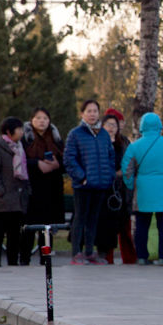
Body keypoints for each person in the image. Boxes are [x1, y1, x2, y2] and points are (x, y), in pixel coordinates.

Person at [122, 112, 163, 266]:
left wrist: (132, 185)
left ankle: (142, 257)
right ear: (159, 126)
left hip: (143, 190)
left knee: (142, 226)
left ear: (142, 126)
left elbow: (127, 169)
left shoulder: (134, 146)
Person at [63, 99, 115, 265]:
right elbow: (69, 159)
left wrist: (108, 176)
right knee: (80, 217)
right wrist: (82, 177)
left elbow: (110, 157)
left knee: (94, 219)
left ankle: (89, 252)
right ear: (82, 114)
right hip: (83, 185)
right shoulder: (75, 134)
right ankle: (76, 253)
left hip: (100, 184)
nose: (92, 114)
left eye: (95, 111)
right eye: (89, 111)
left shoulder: (103, 134)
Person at [21, 107, 66, 265]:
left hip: (52, 188)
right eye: (38, 118)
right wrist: (37, 164)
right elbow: (20, 161)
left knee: (47, 227)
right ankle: (24, 258)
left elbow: (65, 162)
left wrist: (56, 165)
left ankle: (45, 259)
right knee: (29, 225)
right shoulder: (25, 138)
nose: (42, 121)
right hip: (32, 188)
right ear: (32, 120)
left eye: (45, 118)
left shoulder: (55, 138)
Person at [0, 117, 30, 267]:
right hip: (0, 201)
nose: (21, 132)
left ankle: (13, 264)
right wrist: (0, 191)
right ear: (8, 131)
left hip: (16, 200)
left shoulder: (20, 147)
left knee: (14, 235)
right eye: (19, 129)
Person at [95, 113, 136, 264]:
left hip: (122, 189)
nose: (111, 128)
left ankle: (130, 258)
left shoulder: (124, 142)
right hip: (104, 189)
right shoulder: (98, 142)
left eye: (114, 125)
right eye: (108, 125)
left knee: (125, 226)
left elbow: (130, 163)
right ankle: (107, 257)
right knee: (107, 227)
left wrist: (122, 173)